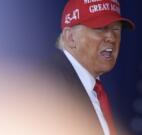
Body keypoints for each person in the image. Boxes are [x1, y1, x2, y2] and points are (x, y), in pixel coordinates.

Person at [48, 0, 135, 134]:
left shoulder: (98, 92)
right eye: (99, 28)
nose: (112, 37)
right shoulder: (49, 83)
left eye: (116, 29)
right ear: (70, 38)